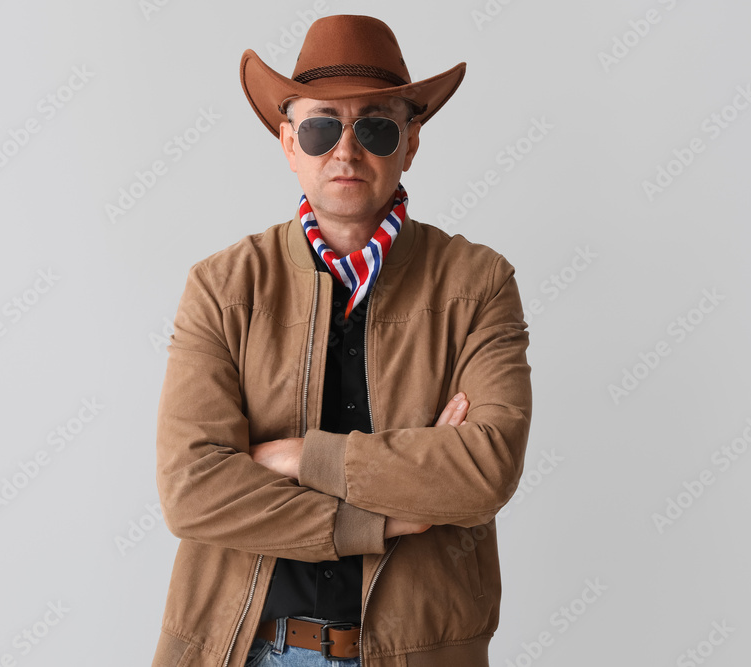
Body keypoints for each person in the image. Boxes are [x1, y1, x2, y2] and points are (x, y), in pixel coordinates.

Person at [152, 14, 532, 667]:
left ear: (410, 144)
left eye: (376, 127)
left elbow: (484, 469)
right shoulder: (222, 286)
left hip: (419, 653)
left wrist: (300, 457)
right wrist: (377, 519)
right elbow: (191, 487)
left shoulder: (478, 283)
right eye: (322, 126)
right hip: (245, 651)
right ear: (288, 142)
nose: (346, 151)